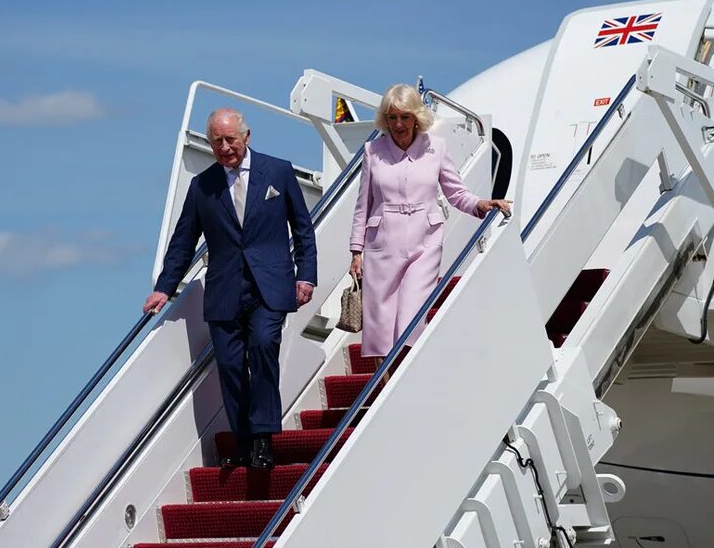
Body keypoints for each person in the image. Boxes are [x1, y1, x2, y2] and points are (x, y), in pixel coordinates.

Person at [144, 107, 318, 469]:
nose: (224, 148)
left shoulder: (278, 171)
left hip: (270, 286)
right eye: (217, 142)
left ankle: (263, 439)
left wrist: (306, 275)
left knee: (264, 345)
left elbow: (303, 229)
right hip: (225, 290)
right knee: (229, 365)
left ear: (246, 137)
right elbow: (183, 241)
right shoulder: (202, 186)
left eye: (230, 139)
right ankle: (243, 440)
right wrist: (164, 287)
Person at [349, 84, 510, 360]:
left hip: (425, 243)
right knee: (380, 327)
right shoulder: (372, 151)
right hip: (382, 244)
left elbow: (456, 193)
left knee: (411, 319)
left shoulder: (436, 148)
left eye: (405, 117)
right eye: (392, 117)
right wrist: (356, 251)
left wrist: (481, 203)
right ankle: (386, 382)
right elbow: (363, 204)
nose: (398, 124)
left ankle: (407, 373)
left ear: (416, 117)